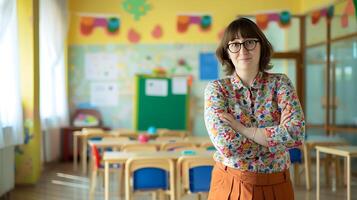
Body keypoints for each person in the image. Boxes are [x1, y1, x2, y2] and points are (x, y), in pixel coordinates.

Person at [204, 17, 305, 200]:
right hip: (231, 182)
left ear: (261, 46)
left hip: (278, 184)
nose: (243, 50)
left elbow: (296, 134)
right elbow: (227, 146)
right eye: (234, 44)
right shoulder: (217, 89)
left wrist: (243, 130)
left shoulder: (281, 83)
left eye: (249, 42)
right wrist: (275, 138)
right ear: (227, 52)